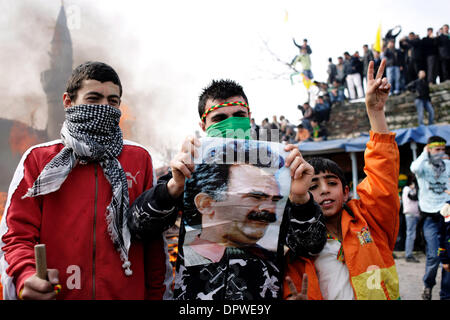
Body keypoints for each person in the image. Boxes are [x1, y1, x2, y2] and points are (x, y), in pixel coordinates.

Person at [127, 79, 327, 300]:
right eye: (220, 118)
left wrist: (301, 199)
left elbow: (311, 245)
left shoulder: (280, 175)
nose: (231, 124)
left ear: (250, 120)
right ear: (204, 126)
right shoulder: (186, 171)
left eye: (239, 116)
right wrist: (173, 188)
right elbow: (137, 227)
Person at [0, 61, 171, 300]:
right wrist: (25, 275)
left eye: (113, 101)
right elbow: (16, 235)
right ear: (68, 102)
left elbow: (154, 243)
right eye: (93, 99)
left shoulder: (138, 159)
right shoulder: (39, 160)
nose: (104, 108)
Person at [284, 58, 403, 300]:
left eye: (331, 182)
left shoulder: (370, 221)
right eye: (313, 186)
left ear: (346, 192)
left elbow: (383, 178)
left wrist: (375, 112)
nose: (324, 190)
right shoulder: (297, 244)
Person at [410, 135, 450, 300]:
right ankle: (428, 284)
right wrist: (425, 153)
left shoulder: (448, 165)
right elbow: (414, 168)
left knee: (449, 259)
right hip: (430, 219)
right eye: (436, 149)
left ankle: (446, 294)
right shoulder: (422, 166)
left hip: (447, 216)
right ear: (429, 149)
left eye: (443, 149)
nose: (440, 152)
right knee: (433, 256)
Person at [402, 174, 420, 263]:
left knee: (413, 235)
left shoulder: (411, 189)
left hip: (416, 214)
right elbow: (413, 197)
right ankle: (408, 254)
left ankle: (410, 253)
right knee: (410, 234)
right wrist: (415, 188)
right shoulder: (407, 189)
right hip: (410, 214)